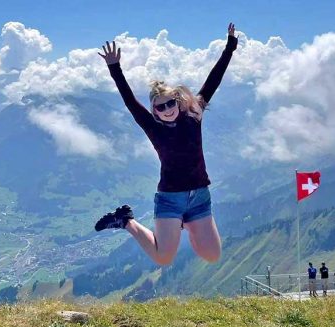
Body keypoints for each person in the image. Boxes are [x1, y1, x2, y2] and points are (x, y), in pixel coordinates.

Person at [94, 23, 238, 266]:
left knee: (212, 255)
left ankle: (187, 225)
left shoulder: (194, 115)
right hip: (170, 197)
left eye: (170, 103)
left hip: (200, 196)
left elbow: (213, 81)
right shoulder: (153, 127)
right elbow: (130, 101)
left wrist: (230, 48)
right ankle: (126, 220)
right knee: (163, 257)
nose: (167, 109)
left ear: (177, 100)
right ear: (155, 111)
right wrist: (114, 68)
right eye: (160, 107)